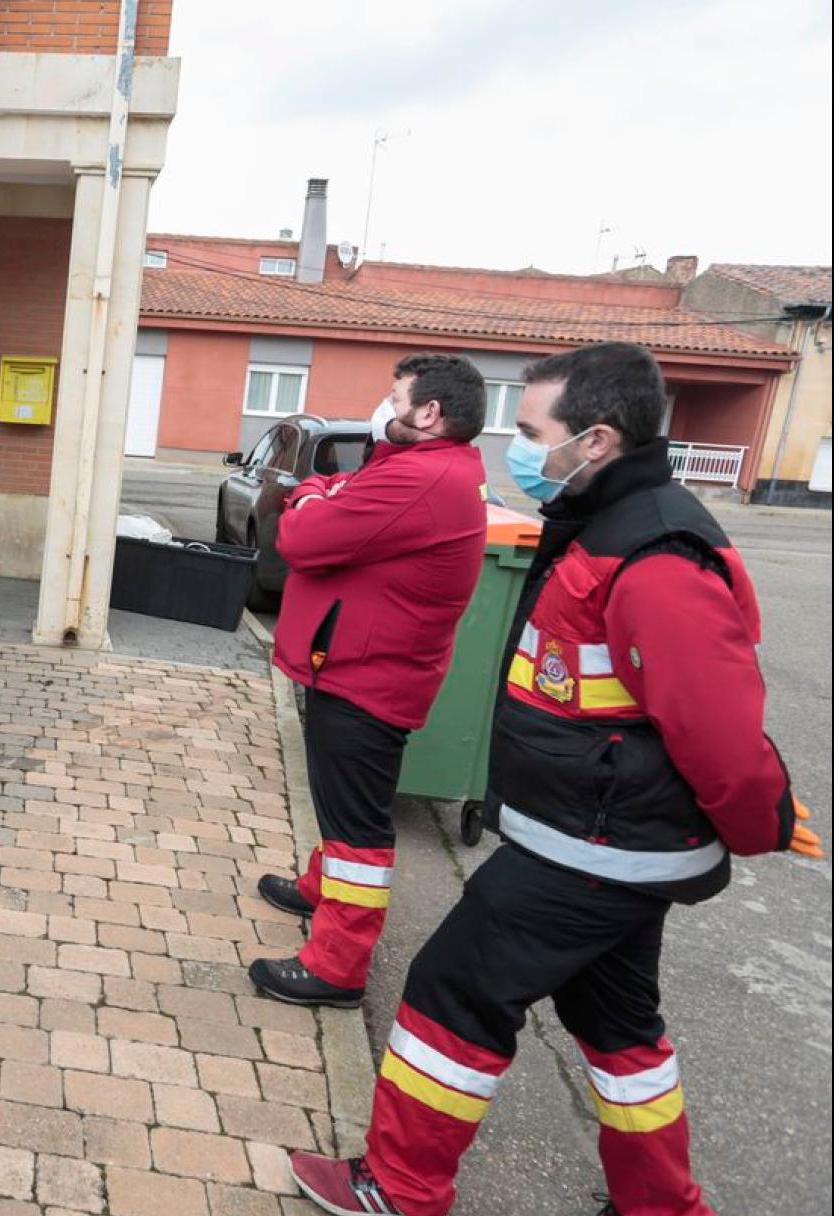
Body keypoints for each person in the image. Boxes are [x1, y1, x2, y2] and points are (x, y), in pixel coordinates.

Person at [288, 341, 822, 1216]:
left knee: (452, 996)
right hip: (603, 836)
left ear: (599, 439)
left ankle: (401, 1187)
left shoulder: (654, 554)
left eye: (535, 433)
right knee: (620, 1032)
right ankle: (662, 1206)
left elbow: (717, 726)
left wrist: (761, 816)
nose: (521, 452)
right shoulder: (608, 522)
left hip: (597, 846)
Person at [249, 354, 491, 1009]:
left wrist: (310, 493)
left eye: (396, 396)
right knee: (342, 807)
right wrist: (331, 495)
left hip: (365, 681)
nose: (385, 406)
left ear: (430, 413)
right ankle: (320, 889)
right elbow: (344, 505)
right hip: (365, 669)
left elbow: (303, 536)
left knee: (357, 828)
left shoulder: (422, 477)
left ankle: (337, 965)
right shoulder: (427, 470)